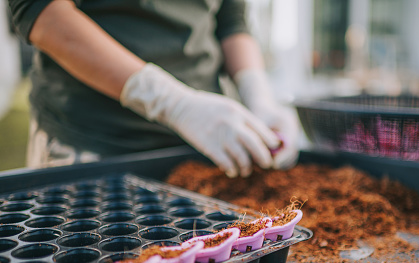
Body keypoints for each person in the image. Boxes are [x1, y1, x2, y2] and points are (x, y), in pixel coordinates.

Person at [8, 0, 300, 177]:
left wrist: (258, 94)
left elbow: (231, 20)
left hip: (204, 147)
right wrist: (171, 102)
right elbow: (42, 13)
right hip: (93, 140)